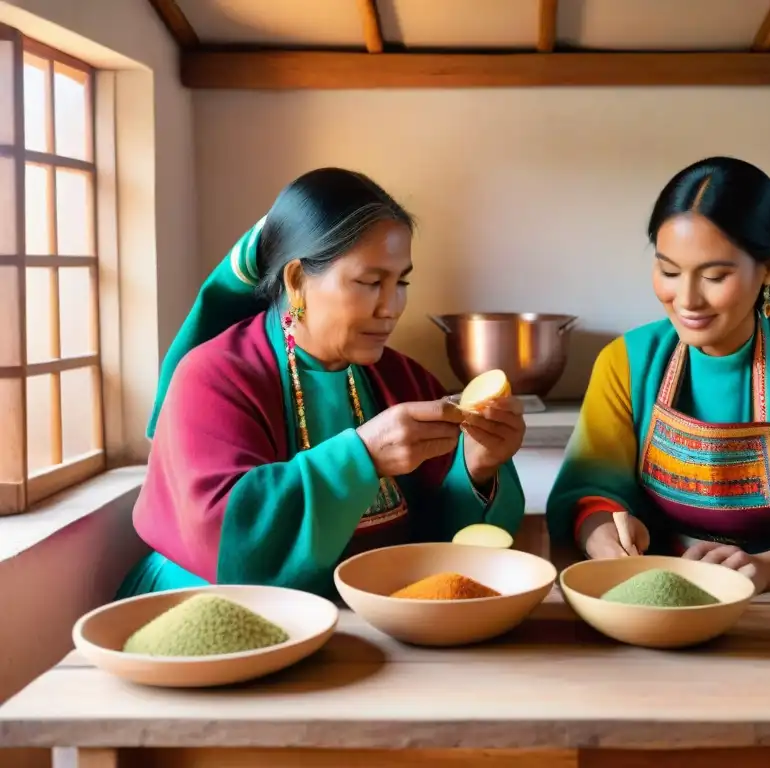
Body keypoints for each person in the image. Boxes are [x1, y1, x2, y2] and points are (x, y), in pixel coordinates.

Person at [117, 168, 527, 599]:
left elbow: (442, 545)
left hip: (366, 615)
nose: (392, 307)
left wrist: (478, 468)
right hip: (214, 608)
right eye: (371, 282)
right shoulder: (213, 379)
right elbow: (223, 535)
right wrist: (361, 457)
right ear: (296, 281)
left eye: (401, 281)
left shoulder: (401, 378)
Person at [546, 156, 770, 592]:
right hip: (654, 593)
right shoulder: (625, 362)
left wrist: (764, 569)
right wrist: (602, 533)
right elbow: (589, 489)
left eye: (715, 275)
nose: (686, 299)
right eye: (668, 271)